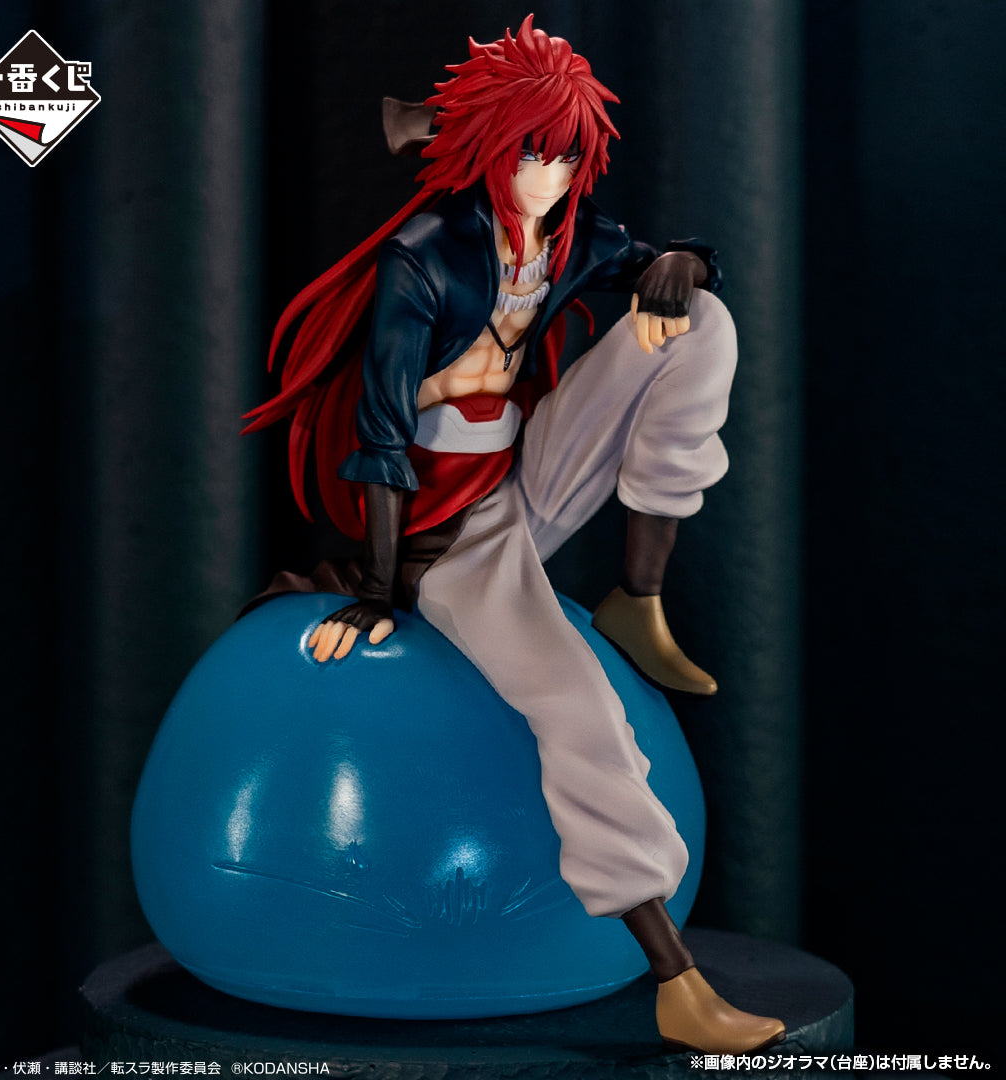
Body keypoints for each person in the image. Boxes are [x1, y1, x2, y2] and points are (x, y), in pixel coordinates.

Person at [244, 16, 784, 1055]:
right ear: (491, 149)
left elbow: (657, 258)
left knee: (697, 324)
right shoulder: (423, 259)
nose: (551, 176)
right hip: (448, 543)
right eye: (535, 152)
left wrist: (678, 263)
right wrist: (383, 585)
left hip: (526, 479)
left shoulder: (567, 236)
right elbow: (380, 437)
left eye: (569, 156)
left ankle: (640, 597)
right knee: (580, 708)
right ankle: (676, 980)